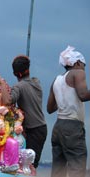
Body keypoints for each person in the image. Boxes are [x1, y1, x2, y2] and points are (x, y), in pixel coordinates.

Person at [0, 55, 47, 175]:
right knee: (25, 165)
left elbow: (8, 101)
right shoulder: (36, 82)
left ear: (16, 74)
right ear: (28, 70)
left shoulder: (19, 87)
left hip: (34, 130)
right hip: (40, 129)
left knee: (29, 166)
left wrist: (1, 83)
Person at [47, 46, 90, 177]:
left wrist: (64, 100)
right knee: (77, 167)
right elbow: (83, 95)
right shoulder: (78, 73)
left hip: (58, 127)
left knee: (58, 170)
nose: (84, 68)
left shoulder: (57, 80)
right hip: (72, 127)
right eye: (83, 65)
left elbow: (50, 109)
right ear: (77, 63)